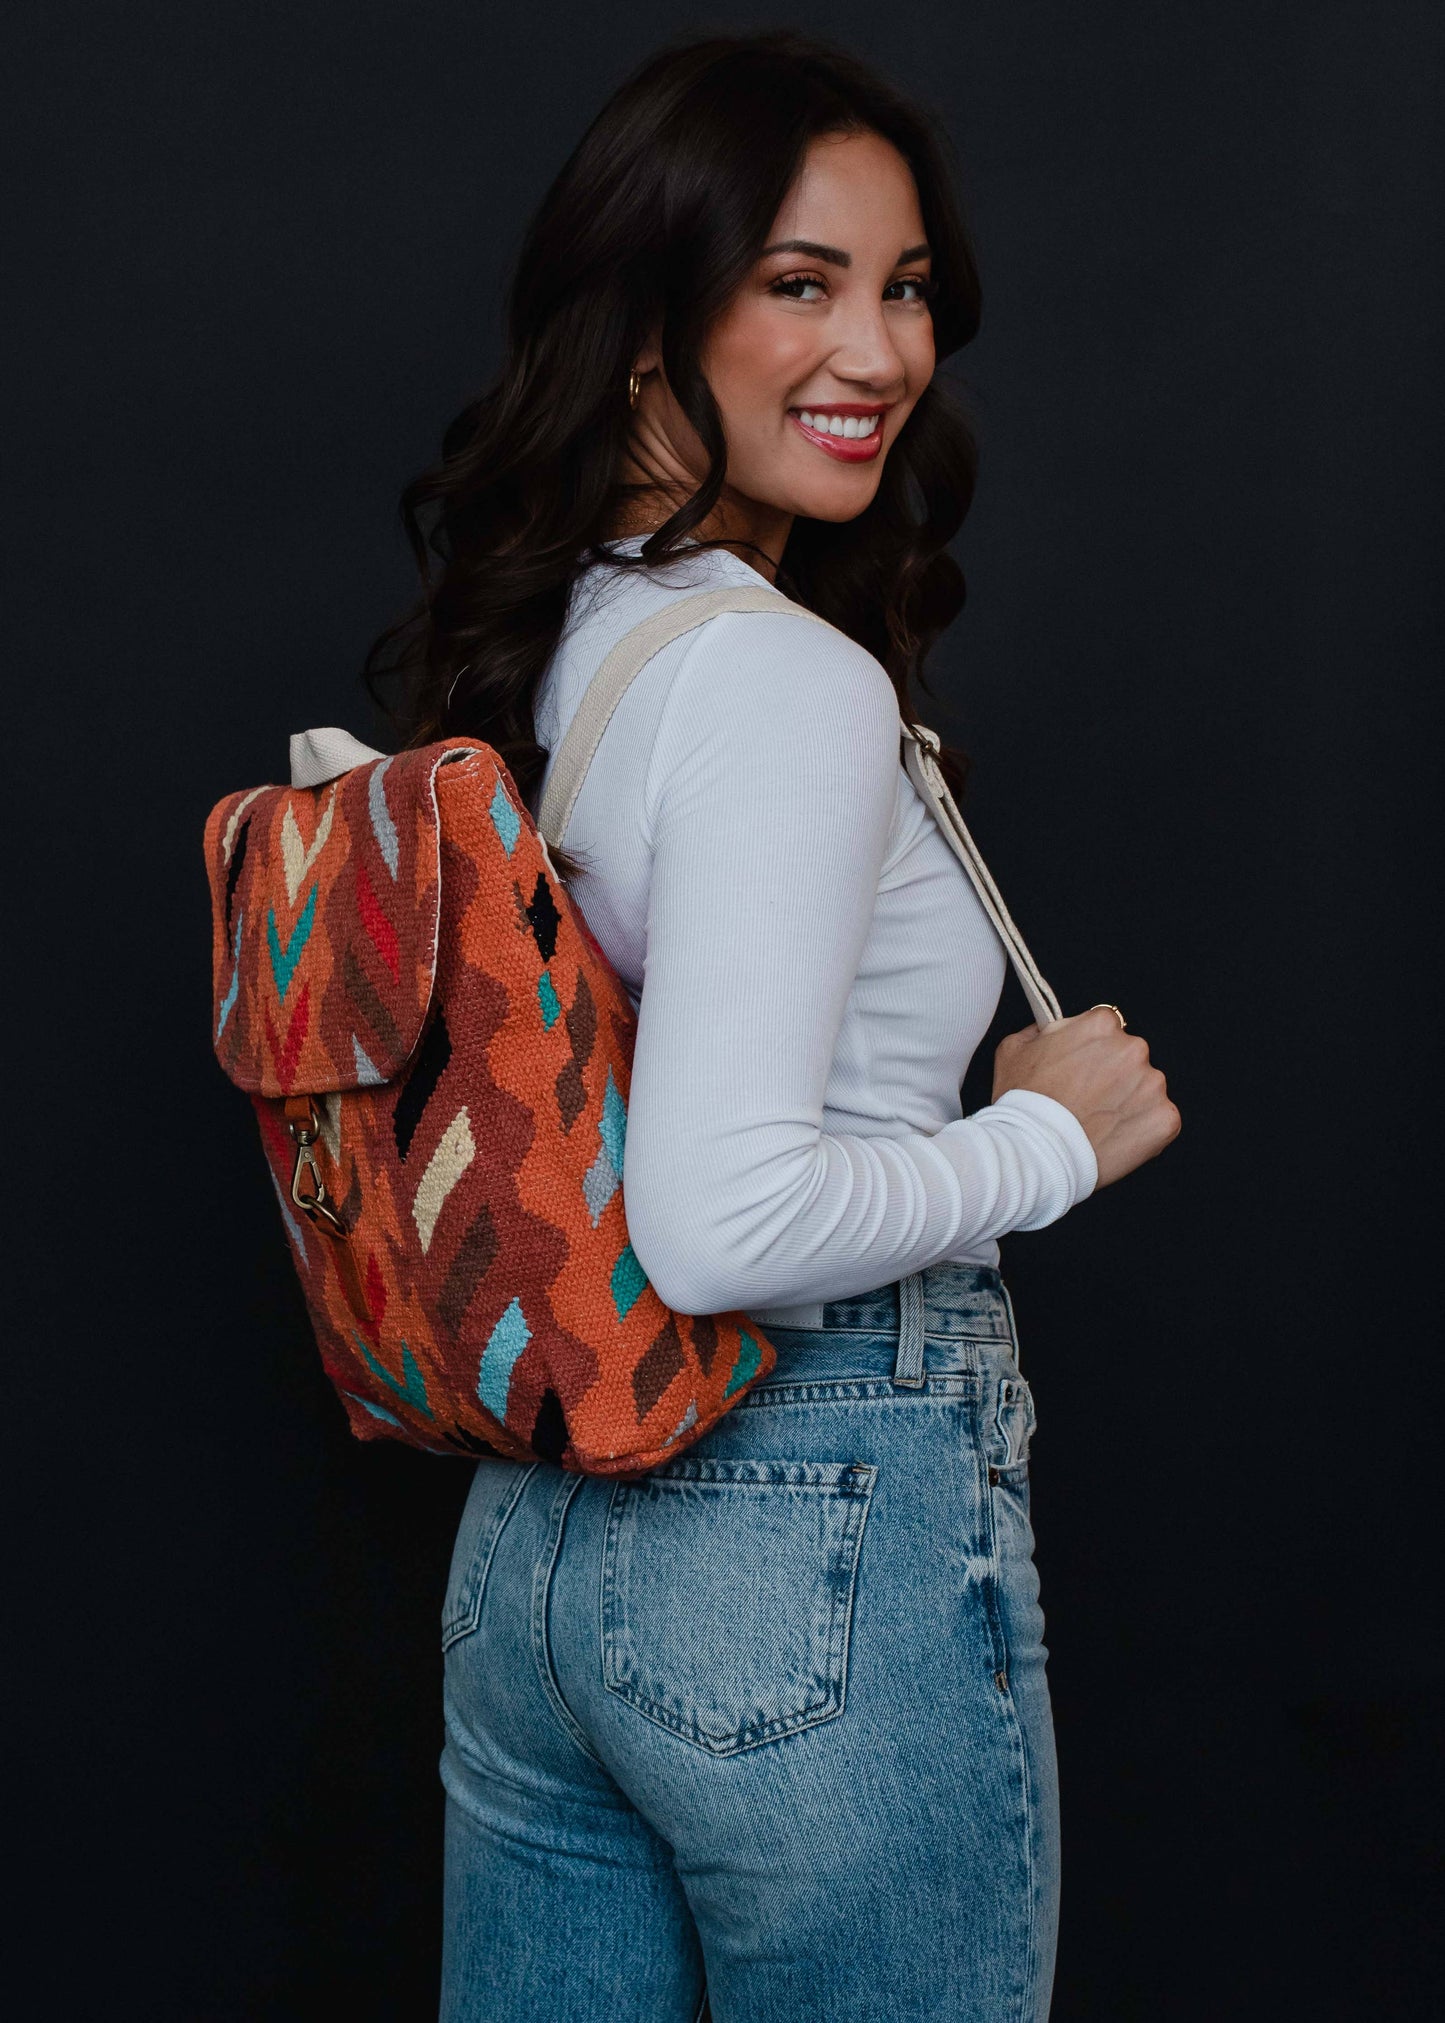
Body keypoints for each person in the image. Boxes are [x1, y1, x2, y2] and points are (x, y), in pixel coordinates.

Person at [365, 29, 1180, 2022]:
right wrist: (1049, 1141)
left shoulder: (565, 634)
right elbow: (721, 1222)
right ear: (652, 320)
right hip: (804, 1505)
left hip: (542, 1537)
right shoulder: (783, 682)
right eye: (800, 282)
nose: (881, 353)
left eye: (904, 289)